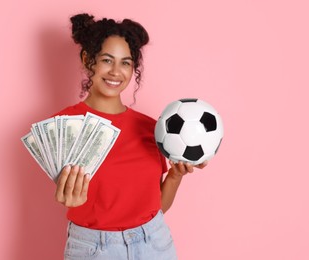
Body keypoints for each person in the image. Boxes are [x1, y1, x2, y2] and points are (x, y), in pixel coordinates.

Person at [53, 13, 207, 260]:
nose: (116, 72)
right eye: (106, 60)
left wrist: (176, 176)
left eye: (125, 62)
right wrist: (68, 199)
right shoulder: (64, 128)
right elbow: (68, 198)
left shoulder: (152, 128)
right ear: (87, 59)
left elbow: (156, 208)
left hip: (155, 244)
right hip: (94, 249)